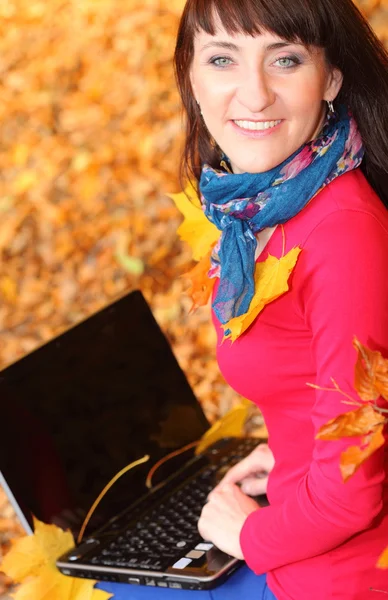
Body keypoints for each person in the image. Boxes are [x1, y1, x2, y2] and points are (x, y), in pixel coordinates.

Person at [98, 0, 388, 598]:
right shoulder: (262, 208)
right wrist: (286, 453)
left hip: (334, 571)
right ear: (192, 77)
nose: (254, 96)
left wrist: (249, 533)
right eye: (223, 58)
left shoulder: (343, 235)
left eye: (284, 60)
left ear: (330, 77)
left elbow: (353, 493)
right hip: (298, 509)